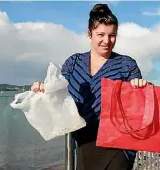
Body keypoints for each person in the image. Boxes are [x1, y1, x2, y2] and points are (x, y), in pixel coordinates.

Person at [31, 3, 151, 170]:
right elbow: (58, 91)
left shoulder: (126, 64)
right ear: (89, 34)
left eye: (112, 35)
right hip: (82, 141)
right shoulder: (74, 63)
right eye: (101, 34)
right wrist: (43, 89)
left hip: (118, 145)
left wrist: (140, 85)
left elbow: (141, 102)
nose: (107, 41)